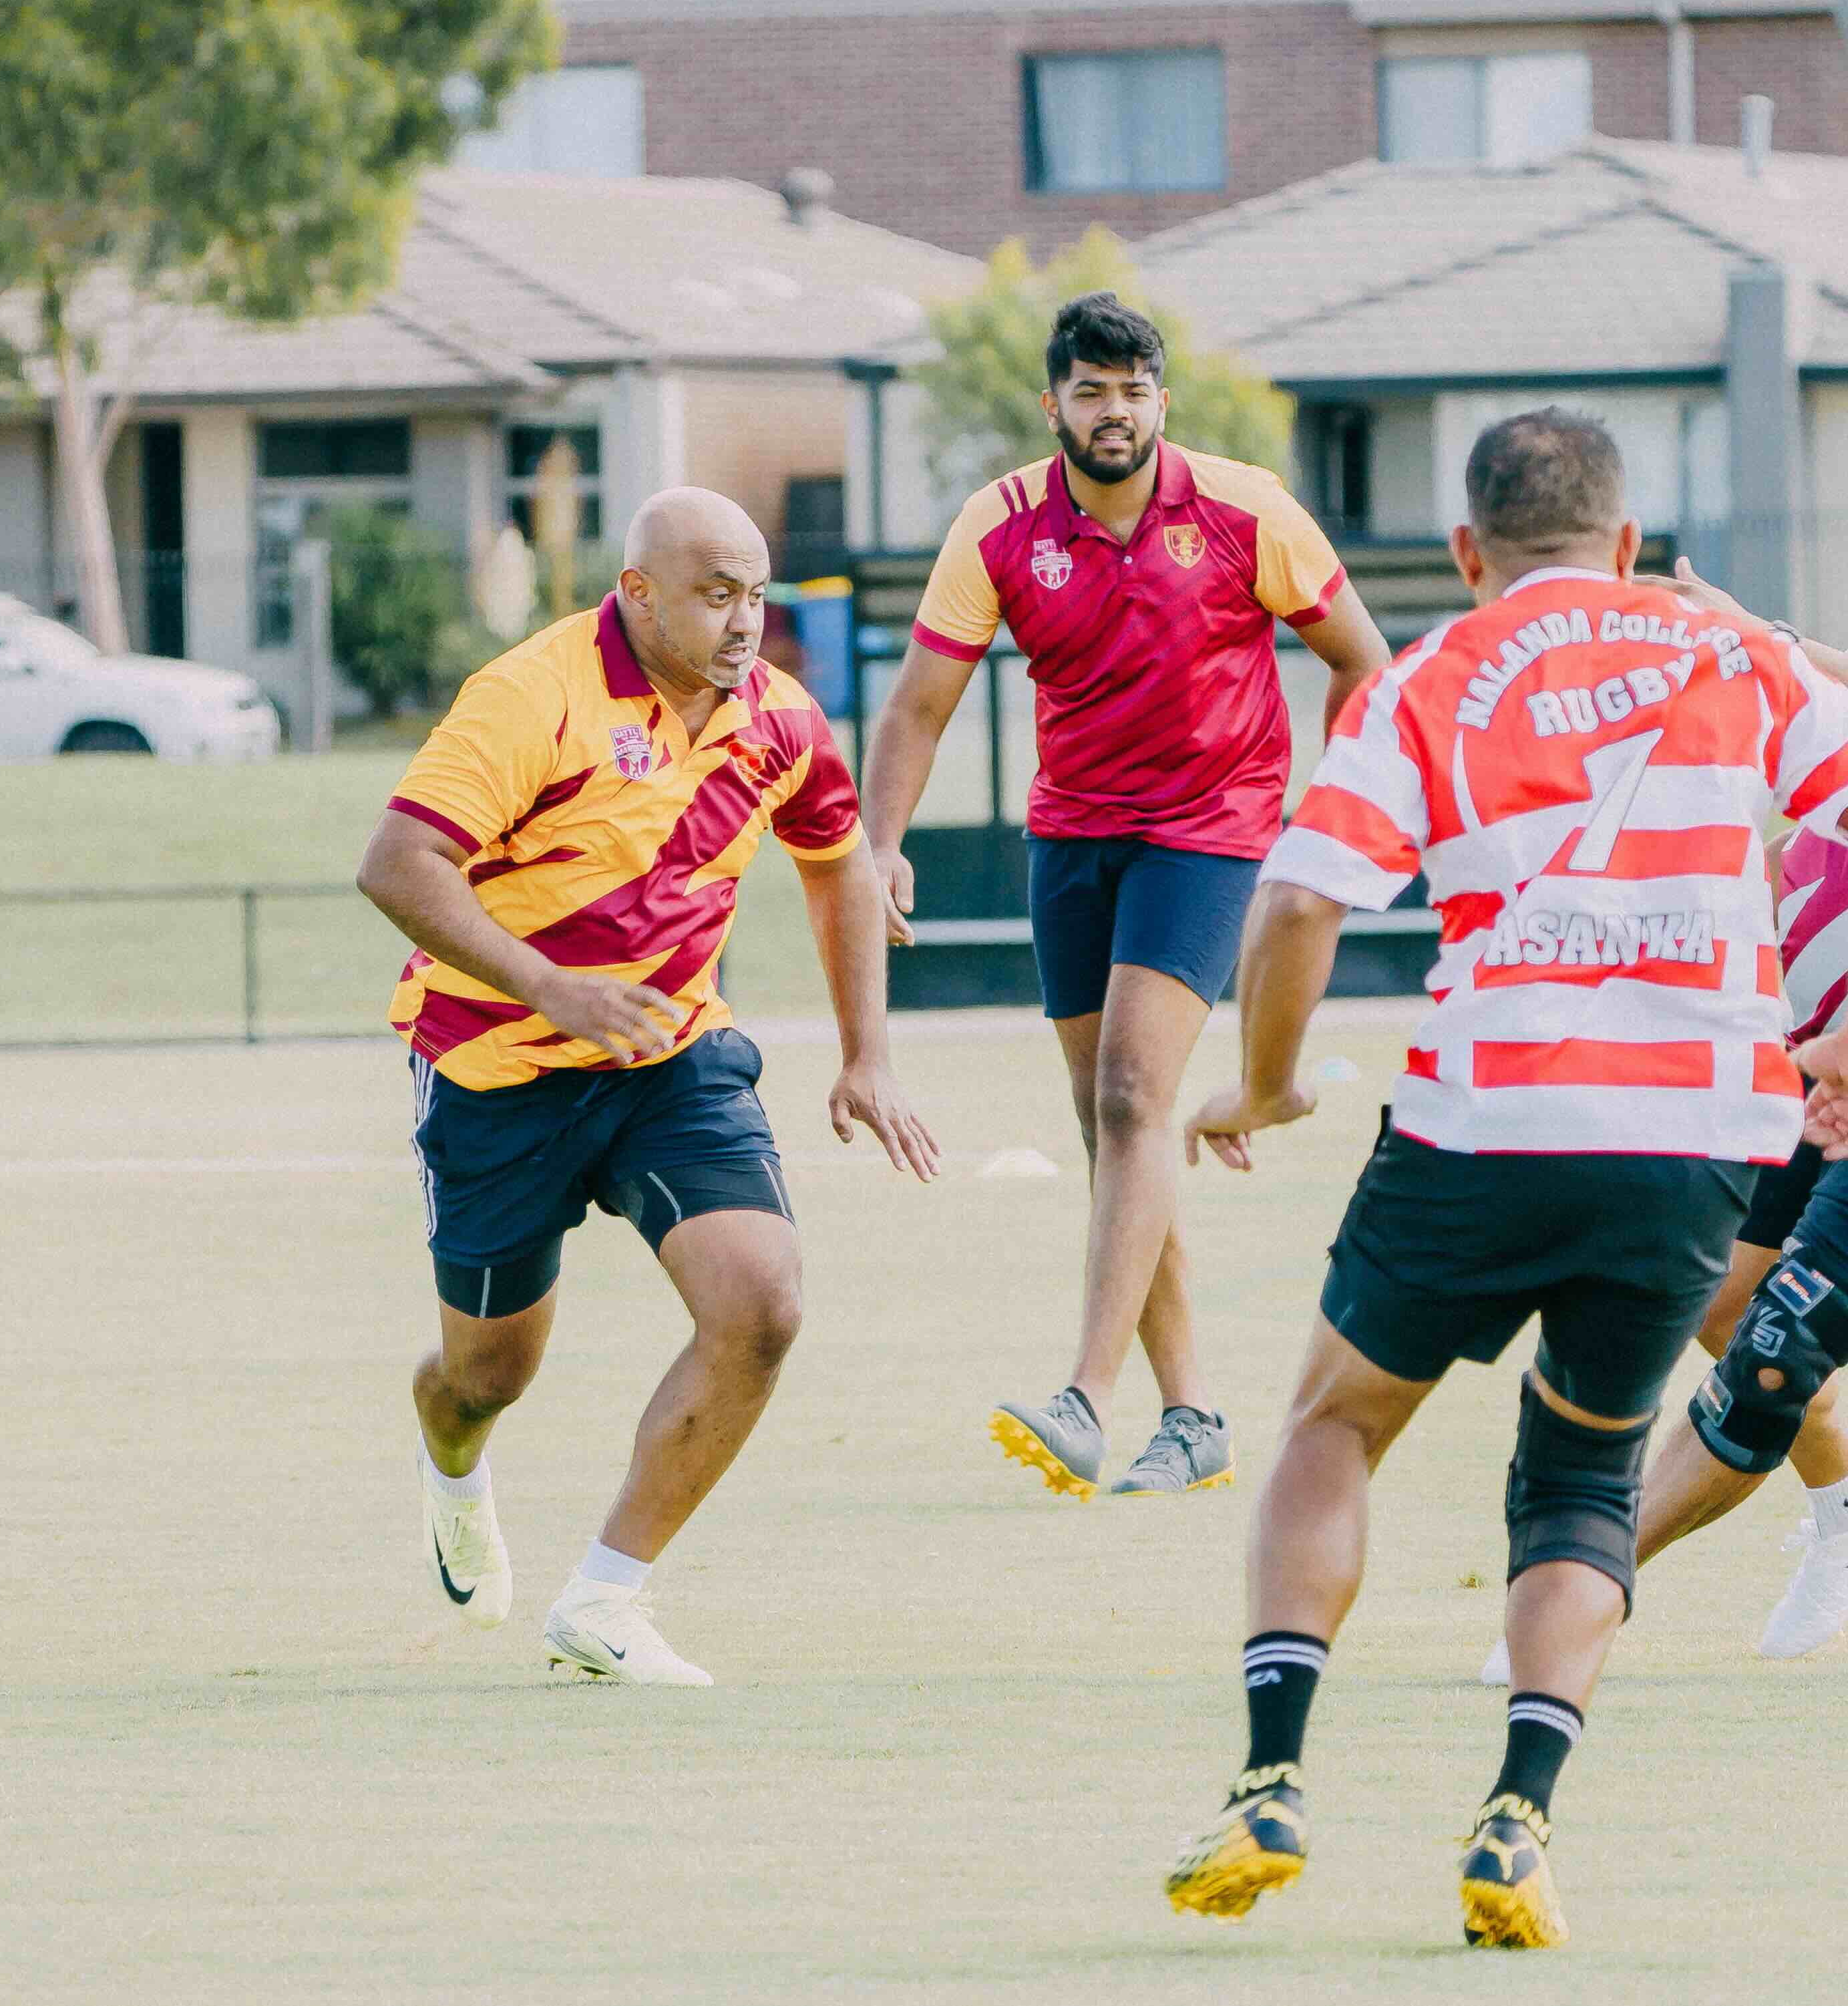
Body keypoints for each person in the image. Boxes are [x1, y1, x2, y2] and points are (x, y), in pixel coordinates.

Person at [1164, 409, 1848, 1951]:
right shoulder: (1738, 653)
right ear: (1627, 542)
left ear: (1466, 551)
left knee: (1332, 1427)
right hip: (1693, 1142)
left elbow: (1296, 904)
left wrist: (1270, 1081)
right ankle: (1518, 1814)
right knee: (1580, 1482)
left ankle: (1271, 1779)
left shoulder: (1433, 673)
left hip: (1487, 1122)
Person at [357, 487, 938, 1687]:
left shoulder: (778, 717)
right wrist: (551, 987)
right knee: (486, 1375)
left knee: (761, 1300)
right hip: (496, 1067)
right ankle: (451, 1463)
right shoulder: (531, 695)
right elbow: (398, 863)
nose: (745, 620)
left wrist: (866, 1053)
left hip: (671, 1055)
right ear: (637, 593)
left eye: (756, 594)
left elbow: (837, 864)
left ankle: (606, 1596)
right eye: (717, 594)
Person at [863, 291, 1387, 1499]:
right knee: (1118, 1124)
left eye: (1134, 390)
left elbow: (1363, 660)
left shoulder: (1246, 508)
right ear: (1052, 404)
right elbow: (918, 705)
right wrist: (880, 841)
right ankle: (1193, 1415)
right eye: (1090, 391)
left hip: (1210, 830)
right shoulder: (998, 524)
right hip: (1072, 835)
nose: (1114, 411)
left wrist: (1330, 819)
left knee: (1130, 1094)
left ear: (1162, 401)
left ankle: (1086, 1401)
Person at [1622, 450, 1848, 1653]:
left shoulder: (1837, 675)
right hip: (1827, 1065)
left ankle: (1568, 1583)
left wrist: (1766, 641)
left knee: (1775, 1348)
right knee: (1719, 1292)